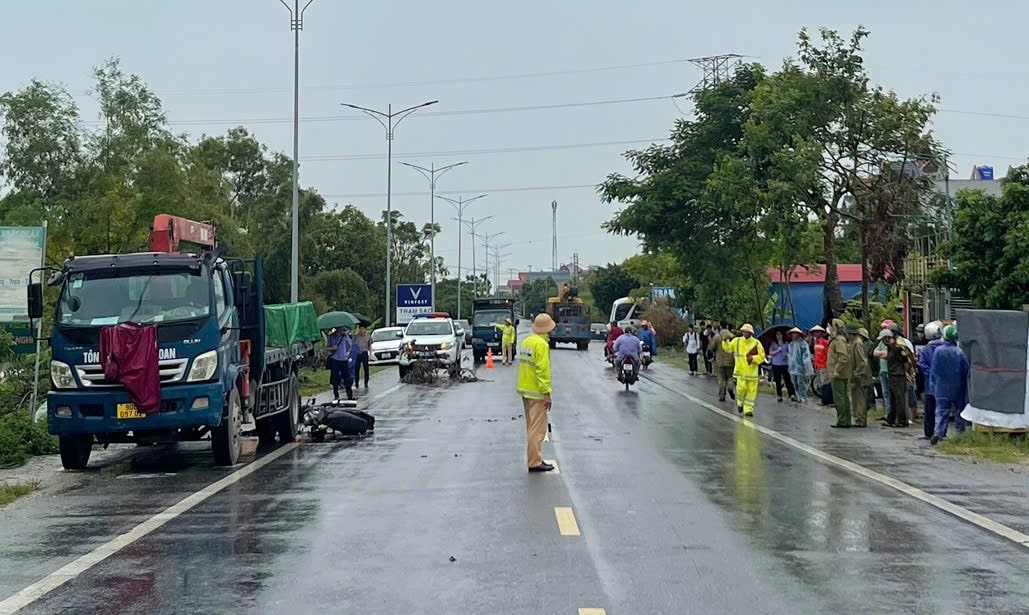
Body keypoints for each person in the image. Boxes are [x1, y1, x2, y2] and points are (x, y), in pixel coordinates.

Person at [516, 313, 557, 472]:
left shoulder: (527, 341)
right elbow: (542, 371)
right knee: (537, 429)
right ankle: (534, 461)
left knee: (530, 427)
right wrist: (546, 392)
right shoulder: (542, 345)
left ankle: (534, 458)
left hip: (525, 390)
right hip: (537, 392)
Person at [930, 325, 969, 444]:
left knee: (941, 410)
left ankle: (938, 433)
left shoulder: (937, 351)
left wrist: (932, 384)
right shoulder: (959, 352)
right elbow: (965, 369)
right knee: (959, 410)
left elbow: (934, 370)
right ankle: (960, 433)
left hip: (941, 386)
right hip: (957, 386)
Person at [722, 324, 765, 417]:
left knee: (751, 393)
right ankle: (740, 404)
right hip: (740, 372)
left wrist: (753, 359)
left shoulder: (756, 343)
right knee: (741, 390)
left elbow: (762, 356)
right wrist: (725, 341)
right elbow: (728, 348)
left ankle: (748, 410)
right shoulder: (737, 341)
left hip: (752, 374)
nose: (745, 333)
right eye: (744, 331)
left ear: (750, 333)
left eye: (747, 332)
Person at [875, 329, 912, 428]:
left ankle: (902, 421)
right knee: (893, 399)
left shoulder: (898, 348)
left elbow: (905, 360)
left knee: (899, 399)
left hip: (898, 376)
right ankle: (891, 419)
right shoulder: (890, 348)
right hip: (892, 375)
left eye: (883, 339)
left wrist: (907, 373)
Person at [917, 321, 945, 439]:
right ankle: (941, 432)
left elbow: (922, 365)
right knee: (943, 409)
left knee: (929, 410)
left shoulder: (926, 350)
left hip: (930, 385)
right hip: (944, 384)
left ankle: (928, 433)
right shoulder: (945, 348)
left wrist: (931, 374)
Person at [827, 319, 853, 428]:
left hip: (838, 374)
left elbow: (843, 357)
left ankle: (842, 420)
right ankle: (845, 420)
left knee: (840, 398)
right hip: (839, 373)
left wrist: (836, 370)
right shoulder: (837, 340)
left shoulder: (839, 341)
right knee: (843, 397)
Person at [849, 326, 874, 427]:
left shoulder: (857, 343)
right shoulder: (857, 343)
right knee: (858, 398)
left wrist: (856, 374)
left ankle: (860, 419)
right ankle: (859, 419)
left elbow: (862, 362)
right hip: (861, 375)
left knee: (860, 398)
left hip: (860, 377)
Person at [325, 326, 354, 401]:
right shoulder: (331, 336)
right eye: (339, 328)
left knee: (347, 378)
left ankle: (349, 395)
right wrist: (332, 348)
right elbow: (327, 348)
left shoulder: (345, 336)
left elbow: (350, 345)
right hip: (335, 359)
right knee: (335, 378)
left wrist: (347, 352)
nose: (340, 329)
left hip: (343, 359)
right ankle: (336, 395)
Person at [768, 330, 796, 403]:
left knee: (788, 380)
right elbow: (770, 352)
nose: (779, 336)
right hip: (776, 364)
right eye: (777, 335)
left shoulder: (785, 343)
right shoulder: (773, 344)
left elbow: (789, 351)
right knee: (778, 381)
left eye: (780, 335)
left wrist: (787, 355)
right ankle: (779, 395)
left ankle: (792, 394)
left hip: (784, 364)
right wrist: (777, 350)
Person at [787, 327, 813, 403]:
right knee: (794, 383)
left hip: (800, 367)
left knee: (801, 382)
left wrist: (806, 364)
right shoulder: (791, 344)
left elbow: (806, 355)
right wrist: (789, 365)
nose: (793, 335)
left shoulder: (803, 344)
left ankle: (803, 397)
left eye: (795, 333)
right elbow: (790, 356)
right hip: (793, 367)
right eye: (792, 334)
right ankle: (798, 396)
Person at [714, 327, 736, 402]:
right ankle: (730, 387)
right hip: (730, 361)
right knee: (730, 377)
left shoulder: (717, 337)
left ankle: (722, 395)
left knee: (721, 379)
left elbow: (712, 347)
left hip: (720, 361)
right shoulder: (732, 337)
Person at [811, 325, 830, 404]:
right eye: (815, 332)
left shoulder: (825, 342)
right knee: (821, 383)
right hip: (817, 366)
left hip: (824, 366)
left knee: (825, 383)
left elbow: (828, 354)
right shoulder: (815, 342)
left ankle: (825, 400)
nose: (816, 333)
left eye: (818, 332)